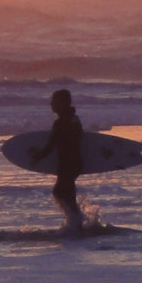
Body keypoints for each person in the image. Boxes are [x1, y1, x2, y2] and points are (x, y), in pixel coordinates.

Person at [29, 88, 88, 234]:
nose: (51, 105)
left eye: (54, 102)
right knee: (65, 192)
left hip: (67, 164)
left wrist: (38, 156)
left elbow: (52, 144)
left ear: (63, 103)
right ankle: (75, 224)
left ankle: (75, 224)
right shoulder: (75, 119)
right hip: (75, 162)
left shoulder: (61, 122)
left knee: (60, 192)